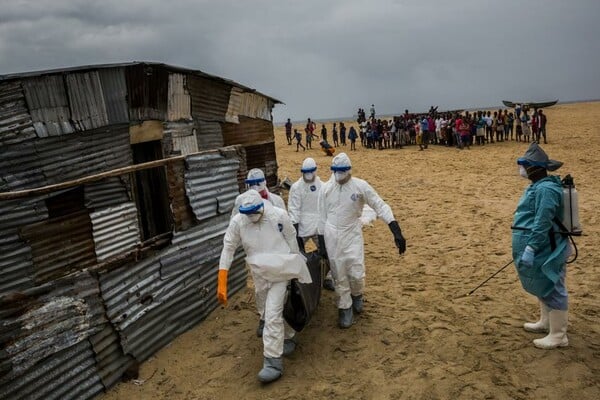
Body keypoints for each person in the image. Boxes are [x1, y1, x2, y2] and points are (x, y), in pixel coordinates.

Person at [217, 190, 311, 383]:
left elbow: (292, 238)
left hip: (280, 270)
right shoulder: (238, 222)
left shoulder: (278, 216)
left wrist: (295, 266)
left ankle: (272, 361)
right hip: (259, 272)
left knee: (273, 312)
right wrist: (222, 277)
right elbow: (228, 247)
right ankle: (287, 335)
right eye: (247, 213)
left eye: (254, 212)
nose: (252, 217)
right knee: (266, 311)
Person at [318, 153, 406, 328]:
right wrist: (322, 242)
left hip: (351, 234)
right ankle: (345, 308)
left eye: (342, 171)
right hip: (332, 236)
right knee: (338, 273)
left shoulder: (360, 186)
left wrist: (395, 229)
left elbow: (379, 205)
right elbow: (321, 217)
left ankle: (357, 294)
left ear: (349, 170)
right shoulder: (326, 189)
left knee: (356, 272)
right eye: (336, 171)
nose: (339, 175)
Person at [511, 142, 570, 349]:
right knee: (542, 284)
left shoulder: (546, 189)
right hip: (537, 244)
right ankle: (546, 322)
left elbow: (543, 220)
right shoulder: (536, 186)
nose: (523, 169)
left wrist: (532, 247)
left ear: (535, 167)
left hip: (546, 245)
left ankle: (558, 335)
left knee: (553, 284)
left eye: (525, 165)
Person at [288, 158, 334, 291]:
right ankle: (293, 281)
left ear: (315, 171)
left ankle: (329, 277)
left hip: (319, 227)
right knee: (293, 253)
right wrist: (295, 233)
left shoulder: (322, 186)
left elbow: (327, 206)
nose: (308, 175)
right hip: (302, 227)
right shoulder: (296, 187)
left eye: (310, 172)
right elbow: (294, 210)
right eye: (305, 172)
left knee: (329, 251)